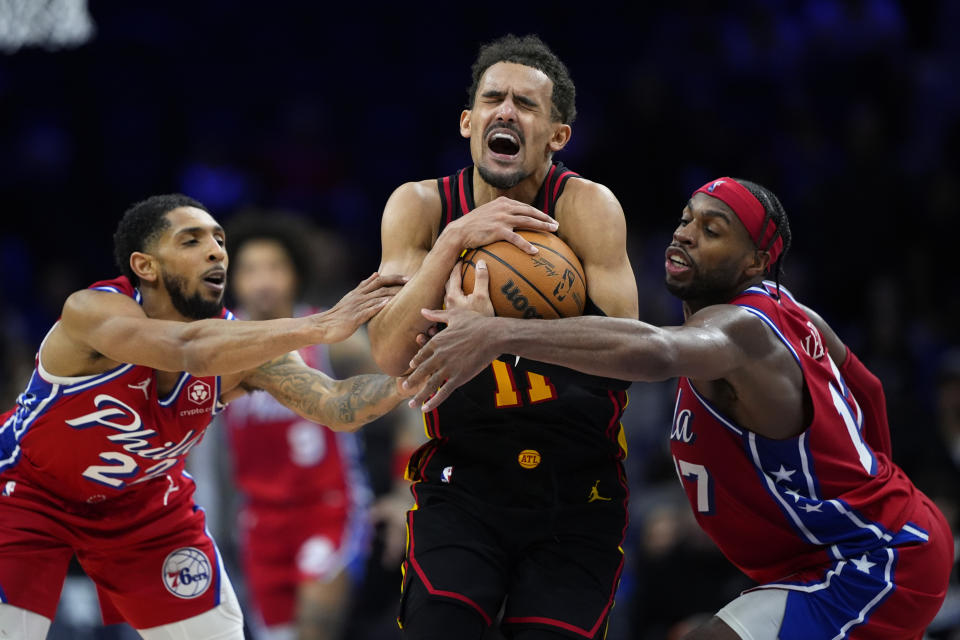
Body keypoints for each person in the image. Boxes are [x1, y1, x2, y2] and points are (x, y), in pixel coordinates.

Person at [403, 177, 954, 639]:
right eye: (686, 219)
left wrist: (500, 334)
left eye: (712, 231)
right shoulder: (794, 314)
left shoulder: (742, 329)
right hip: (850, 551)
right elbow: (869, 387)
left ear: (756, 261)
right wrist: (869, 482)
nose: (685, 234)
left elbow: (658, 350)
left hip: (873, 562)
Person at [0, 194, 412, 640]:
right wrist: (321, 325)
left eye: (219, 239)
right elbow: (188, 349)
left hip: (143, 510)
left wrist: (415, 379)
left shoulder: (243, 351)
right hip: (26, 493)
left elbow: (335, 404)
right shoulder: (91, 311)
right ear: (145, 266)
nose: (217, 250)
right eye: (191, 240)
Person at [367, 34, 639, 639]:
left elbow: (626, 357)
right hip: (464, 478)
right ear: (469, 121)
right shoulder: (420, 208)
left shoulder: (589, 207)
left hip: (578, 486)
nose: (506, 112)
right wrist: (452, 242)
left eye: (526, 104)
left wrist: (498, 334)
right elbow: (388, 354)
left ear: (558, 135)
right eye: (493, 99)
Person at [210, 212, 418, 640]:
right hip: (258, 521)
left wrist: (404, 492)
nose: (263, 280)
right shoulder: (218, 349)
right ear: (231, 280)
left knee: (316, 632)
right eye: (250, 269)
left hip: (328, 508)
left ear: (296, 274)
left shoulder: (332, 338)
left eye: (275, 267)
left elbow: (410, 403)